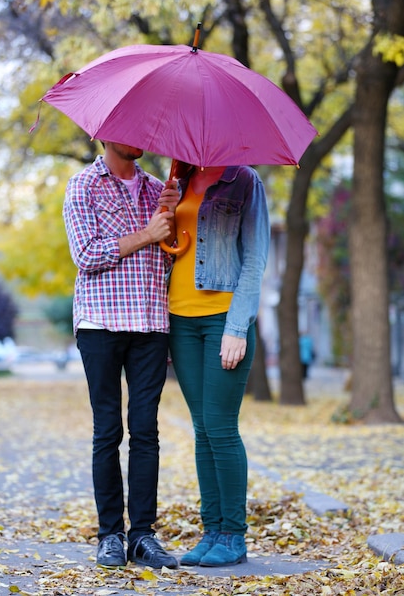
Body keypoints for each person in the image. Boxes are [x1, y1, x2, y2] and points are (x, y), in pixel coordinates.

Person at [62, 142, 180, 570]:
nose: (143, 139)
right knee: (107, 431)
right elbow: (87, 255)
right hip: (101, 324)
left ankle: (143, 534)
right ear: (108, 134)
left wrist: (174, 216)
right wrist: (148, 233)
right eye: (132, 131)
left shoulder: (158, 189)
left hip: (150, 323)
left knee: (146, 432)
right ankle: (110, 534)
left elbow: (174, 256)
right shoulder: (83, 186)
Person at [168, 164, 270, 567]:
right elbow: (174, 248)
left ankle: (233, 536)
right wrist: (165, 212)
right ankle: (211, 532)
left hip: (223, 317)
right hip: (179, 318)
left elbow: (256, 258)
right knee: (201, 428)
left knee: (221, 427)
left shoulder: (245, 181)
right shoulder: (178, 178)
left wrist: (237, 327)